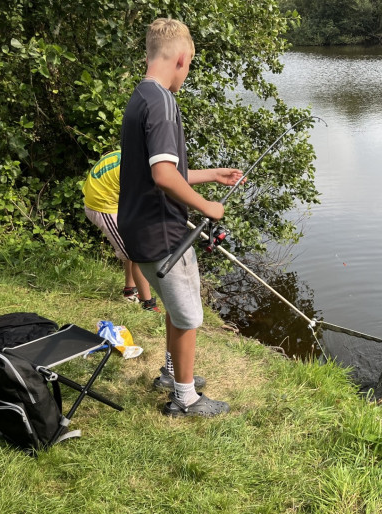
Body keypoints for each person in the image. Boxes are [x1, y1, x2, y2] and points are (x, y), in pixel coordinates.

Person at [118, 17, 243, 418]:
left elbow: (159, 171)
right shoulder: (164, 103)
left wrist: (211, 174)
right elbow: (163, 175)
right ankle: (185, 400)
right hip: (162, 231)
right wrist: (209, 206)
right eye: (189, 67)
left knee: (176, 308)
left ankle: (173, 375)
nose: (186, 75)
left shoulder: (141, 96)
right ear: (182, 59)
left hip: (139, 226)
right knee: (189, 314)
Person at [83, 149, 161, 313]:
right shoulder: (136, 170)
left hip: (114, 201)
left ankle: (130, 290)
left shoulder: (128, 153)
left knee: (132, 246)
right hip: (103, 208)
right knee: (139, 254)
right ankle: (147, 303)